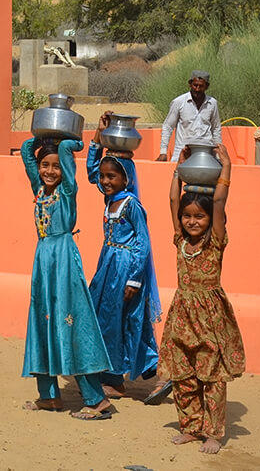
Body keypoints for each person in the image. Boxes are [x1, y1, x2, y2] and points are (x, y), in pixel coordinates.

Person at [19, 137, 116, 420]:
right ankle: (48, 397)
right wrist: (42, 137)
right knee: (42, 323)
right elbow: (26, 152)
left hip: (63, 262)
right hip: (43, 262)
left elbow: (67, 163)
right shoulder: (39, 189)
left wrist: (66, 145)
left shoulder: (67, 189)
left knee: (71, 322)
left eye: (56, 167)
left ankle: (96, 399)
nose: (50, 171)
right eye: (44, 166)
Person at [160, 142, 245, 454]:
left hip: (209, 319)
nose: (192, 221)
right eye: (187, 216)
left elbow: (219, 202)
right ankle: (191, 428)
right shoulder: (180, 241)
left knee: (212, 377)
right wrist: (177, 170)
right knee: (182, 376)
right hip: (182, 316)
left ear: (210, 220)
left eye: (199, 217)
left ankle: (213, 433)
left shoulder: (215, 244)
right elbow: (172, 199)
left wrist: (227, 169)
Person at [85, 113, 161, 400]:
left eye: (111, 176)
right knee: (107, 319)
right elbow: (92, 173)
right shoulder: (110, 199)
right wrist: (97, 138)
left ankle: (148, 372)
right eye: (104, 176)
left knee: (128, 320)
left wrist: (134, 280)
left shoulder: (131, 205)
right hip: (108, 265)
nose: (105, 180)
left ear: (125, 177)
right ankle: (113, 377)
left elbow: (142, 243)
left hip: (125, 270)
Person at [155, 70, 221, 162]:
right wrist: (163, 152)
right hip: (182, 154)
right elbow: (168, 126)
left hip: (205, 155)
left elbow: (216, 128)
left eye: (201, 86)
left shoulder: (212, 103)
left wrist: (218, 154)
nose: (197, 89)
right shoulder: (179, 102)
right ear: (190, 84)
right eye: (195, 85)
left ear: (206, 87)